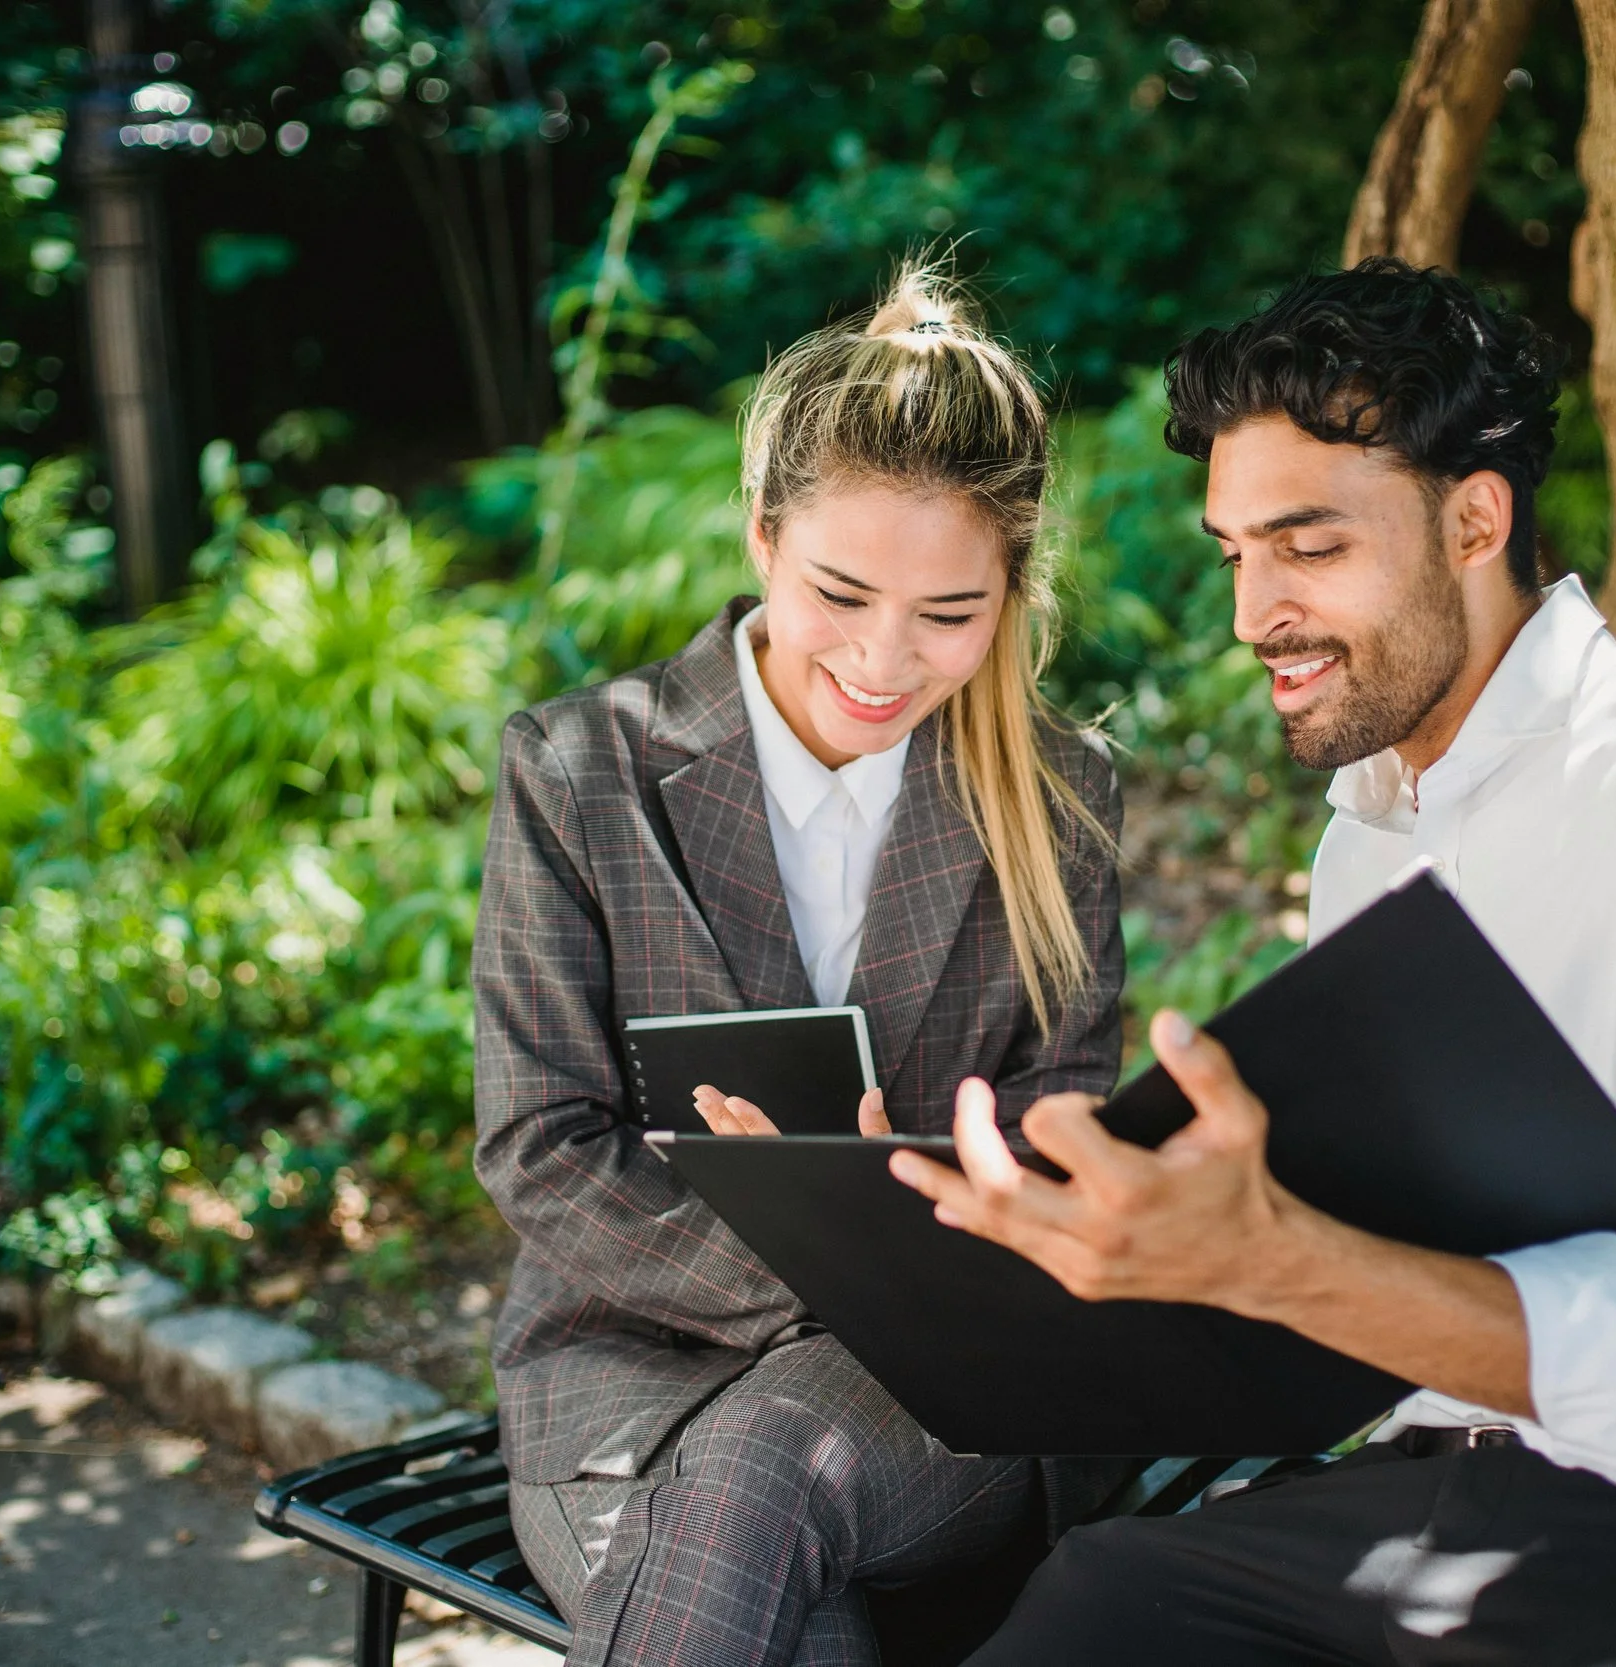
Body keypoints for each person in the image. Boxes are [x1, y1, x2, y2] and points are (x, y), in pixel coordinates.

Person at [893, 259, 1616, 1666]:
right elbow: (1361, 1269)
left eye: (1309, 547)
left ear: (1476, 517)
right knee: (1095, 1607)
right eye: (1236, 553)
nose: (1250, 614)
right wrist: (1073, 1233)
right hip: (1433, 1486)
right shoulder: (1372, 839)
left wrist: (1274, 1257)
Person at [470, 265, 1127, 1667]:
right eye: (842, 591)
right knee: (805, 1623)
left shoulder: (1058, 796)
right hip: (626, 1374)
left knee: (772, 1463)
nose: (888, 659)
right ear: (762, 535)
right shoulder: (583, 771)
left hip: (933, 1386)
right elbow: (539, 1143)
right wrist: (830, 1261)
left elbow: (1062, 1120)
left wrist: (916, 1231)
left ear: (1011, 592)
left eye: (952, 612)